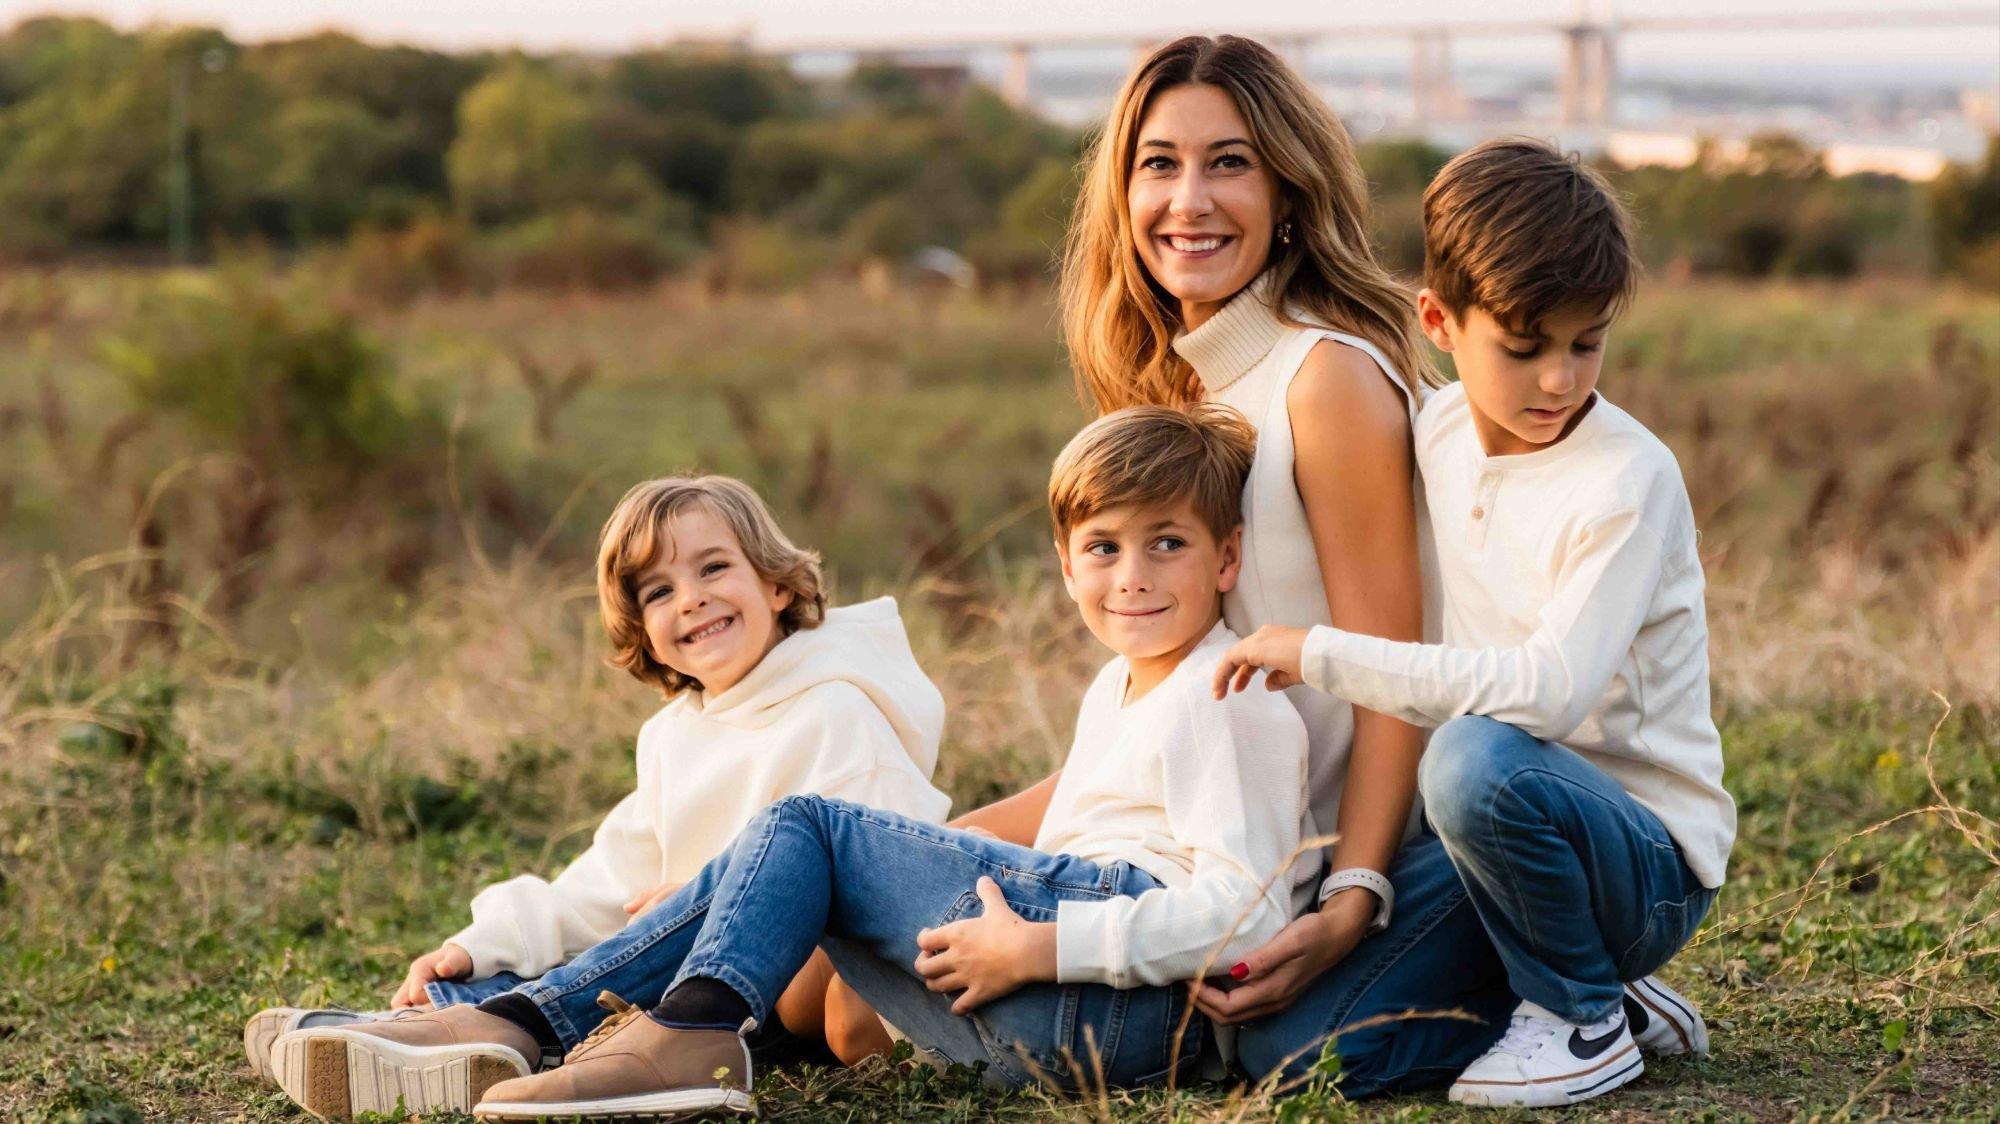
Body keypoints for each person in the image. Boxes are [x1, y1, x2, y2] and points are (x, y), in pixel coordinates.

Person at [278, 402, 1310, 1122]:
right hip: (1046, 1010)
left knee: (804, 824)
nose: (1130, 576)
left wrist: (1044, 949)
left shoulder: (1229, 692)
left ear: (1225, 559)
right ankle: (502, 1013)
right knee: (757, 861)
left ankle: (603, 1026)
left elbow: (1246, 910)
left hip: (1100, 999)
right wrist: (490, 936)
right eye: (1101, 548)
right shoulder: (1123, 686)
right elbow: (610, 870)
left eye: (1166, 544)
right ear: (1065, 561)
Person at [1214, 137, 1735, 1108]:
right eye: (1524, 345)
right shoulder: (1436, 430)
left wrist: (1318, 655)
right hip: (1486, 840)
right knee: (1296, 1056)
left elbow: (1548, 691)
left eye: (1586, 341)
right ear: (1438, 320)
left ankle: (1579, 1011)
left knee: (1464, 754)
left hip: (1640, 860)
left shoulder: (1624, 479)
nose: (1559, 380)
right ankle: (1615, 1000)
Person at [1057, 32, 1510, 1097]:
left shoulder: (1324, 379)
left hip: (1379, 838)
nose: (1189, 198)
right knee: (835, 987)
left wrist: (1352, 896)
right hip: (1239, 834)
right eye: (1158, 163)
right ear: (1121, 194)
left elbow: (1391, 667)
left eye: (1230, 162)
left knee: (1290, 1057)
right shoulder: (1178, 391)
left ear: (1287, 189)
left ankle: (1568, 976)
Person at [257, 474, 950, 1118]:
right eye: (657, 591)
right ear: (643, 628)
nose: (690, 598)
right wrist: (485, 943)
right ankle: (451, 1022)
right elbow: (607, 879)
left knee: (633, 964)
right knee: (556, 953)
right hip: (675, 981)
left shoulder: (838, 711)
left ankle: (494, 1029)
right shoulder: (674, 735)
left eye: (713, 568)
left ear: (775, 585)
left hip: (762, 998)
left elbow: (884, 873)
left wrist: (711, 902)